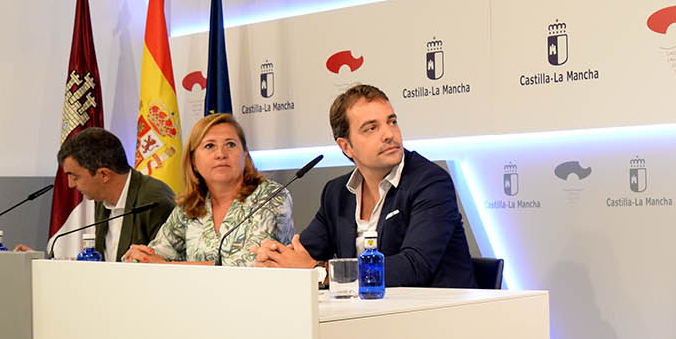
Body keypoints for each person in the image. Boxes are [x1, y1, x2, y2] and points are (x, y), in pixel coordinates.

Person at [254, 84, 475, 287]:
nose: (389, 134)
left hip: (437, 317)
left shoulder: (430, 182)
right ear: (346, 147)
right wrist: (276, 258)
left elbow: (414, 266)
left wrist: (321, 273)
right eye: (371, 128)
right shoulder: (337, 194)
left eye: (392, 122)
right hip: (369, 316)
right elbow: (302, 255)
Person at [125, 113, 293, 267]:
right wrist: (141, 257)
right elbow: (158, 253)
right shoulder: (190, 207)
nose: (221, 154)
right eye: (210, 146)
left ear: (245, 155)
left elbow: (249, 265)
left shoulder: (271, 196)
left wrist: (165, 266)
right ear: (194, 162)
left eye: (230, 144)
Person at [53, 128, 176, 261]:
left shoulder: (154, 200)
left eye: (75, 177)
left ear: (104, 175)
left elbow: (167, 263)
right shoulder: (101, 196)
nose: (71, 184)